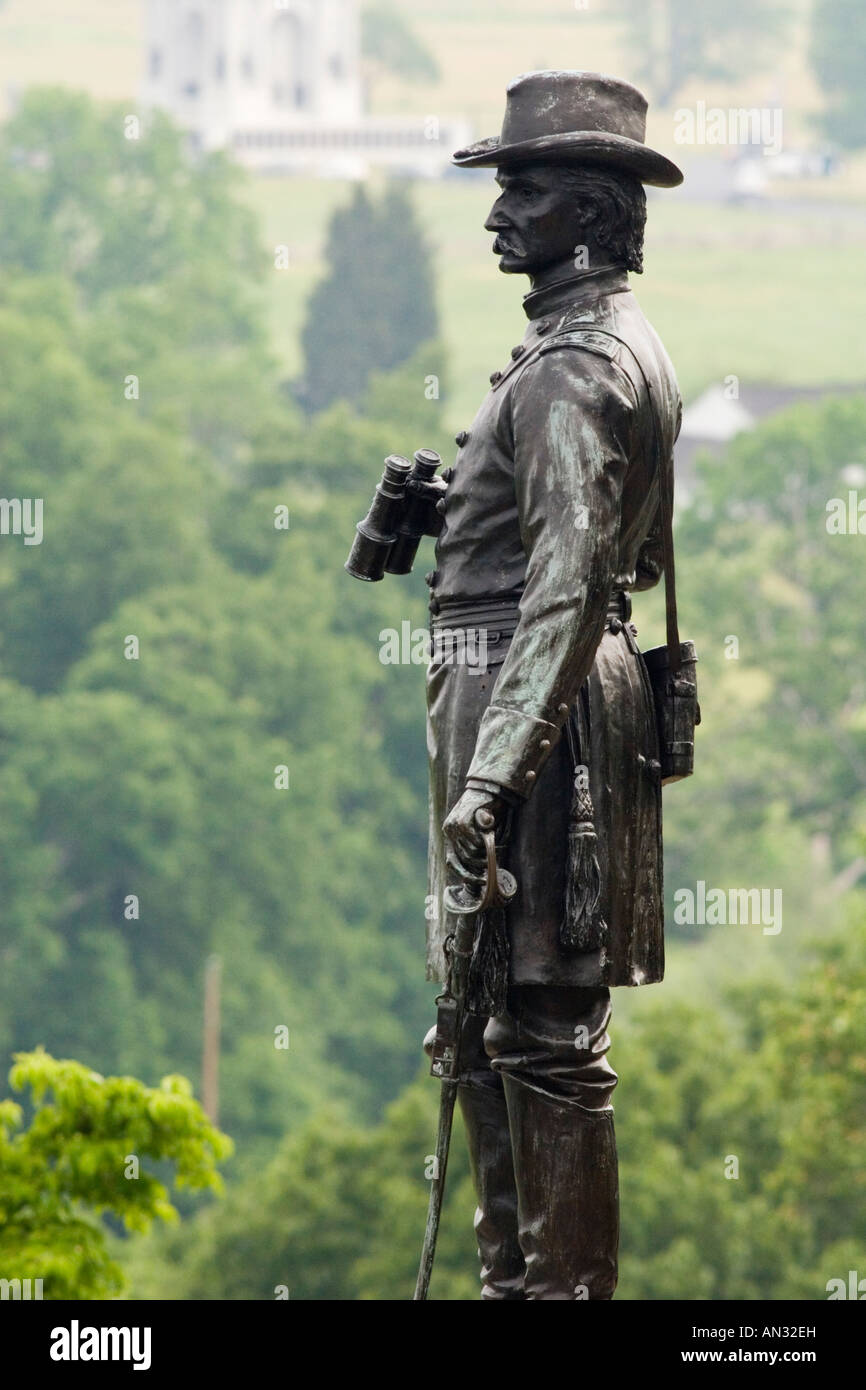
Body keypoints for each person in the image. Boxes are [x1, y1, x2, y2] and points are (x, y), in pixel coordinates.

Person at [423, 70, 684, 1300]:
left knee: (537, 1030)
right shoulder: (587, 345)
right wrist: (446, 505)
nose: (493, 213)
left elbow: (572, 582)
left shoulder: (576, 364)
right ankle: (516, 1282)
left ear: (583, 211)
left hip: (534, 717)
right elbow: (566, 537)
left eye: (516, 189)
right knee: (492, 1016)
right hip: (542, 704)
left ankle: (550, 1290)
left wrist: (489, 775)